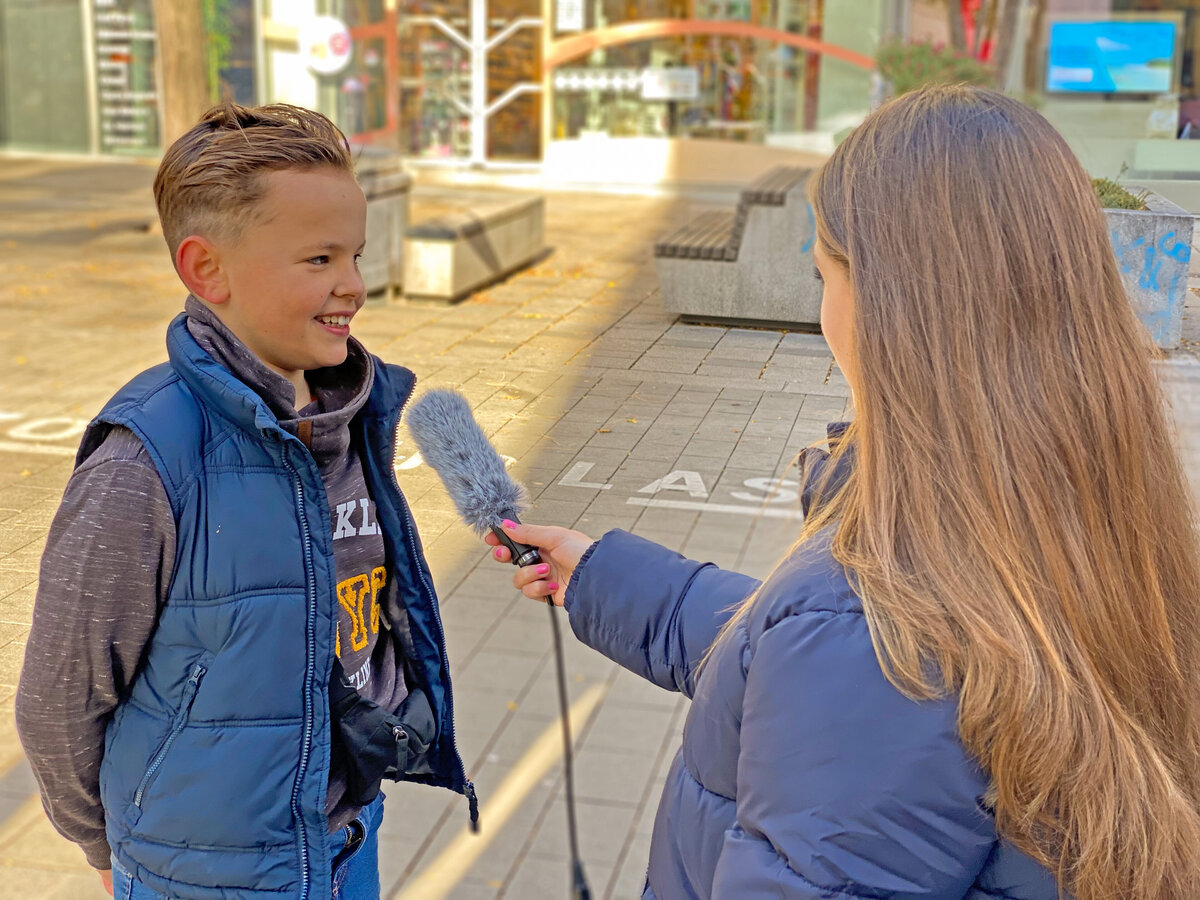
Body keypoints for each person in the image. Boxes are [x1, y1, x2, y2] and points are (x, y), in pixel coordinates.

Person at [488, 85, 1200, 900]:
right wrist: (609, 581)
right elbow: (824, 664)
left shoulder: (870, 620)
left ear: (893, 306)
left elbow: (848, 664)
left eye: (823, 270)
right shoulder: (1082, 511)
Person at [15, 103, 473, 900]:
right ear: (206, 270)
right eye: (319, 259)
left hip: (347, 840)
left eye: (356, 255)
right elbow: (61, 698)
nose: (355, 286)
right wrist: (112, 845)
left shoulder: (353, 417)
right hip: (204, 873)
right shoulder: (144, 463)